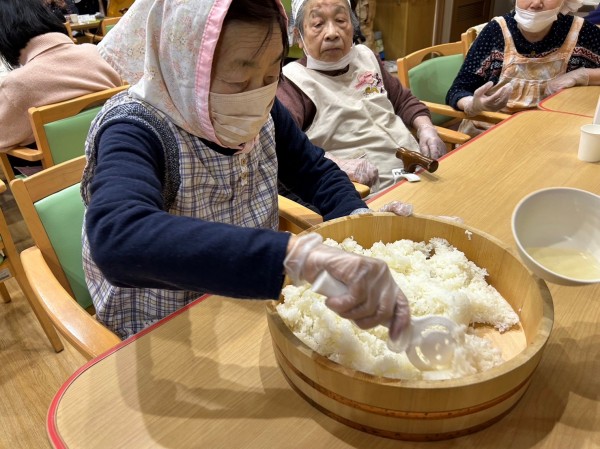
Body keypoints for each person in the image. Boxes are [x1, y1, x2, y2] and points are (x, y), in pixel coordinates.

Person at [83, 0, 413, 340]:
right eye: (240, 81)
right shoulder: (135, 128)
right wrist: (293, 256)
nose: (259, 95)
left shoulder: (267, 108)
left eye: (272, 75)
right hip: (165, 322)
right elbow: (118, 237)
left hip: (250, 297)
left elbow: (314, 170)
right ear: (184, 67)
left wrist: (358, 219)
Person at [276, 0, 446, 192]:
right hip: (367, 192)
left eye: (340, 20)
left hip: (419, 170)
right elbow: (286, 147)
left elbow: (403, 100)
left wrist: (426, 129)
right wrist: (338, 164)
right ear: (298, 36)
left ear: (353, 26)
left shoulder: (366, 57)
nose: (332, 33)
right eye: (318, 24)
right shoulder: (291, 81)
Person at [446, 0, 600, 136]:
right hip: (489, 131)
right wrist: (472, 104)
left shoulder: (581, 31)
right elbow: (457, 90)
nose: (536, 3)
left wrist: (581, 75)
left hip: (547, 131)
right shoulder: (495, 32)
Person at [0, 0, 122, 153]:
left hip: (53, 167)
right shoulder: (95, 53)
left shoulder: (17, 83)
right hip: (112, 150)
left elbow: (3, 139)